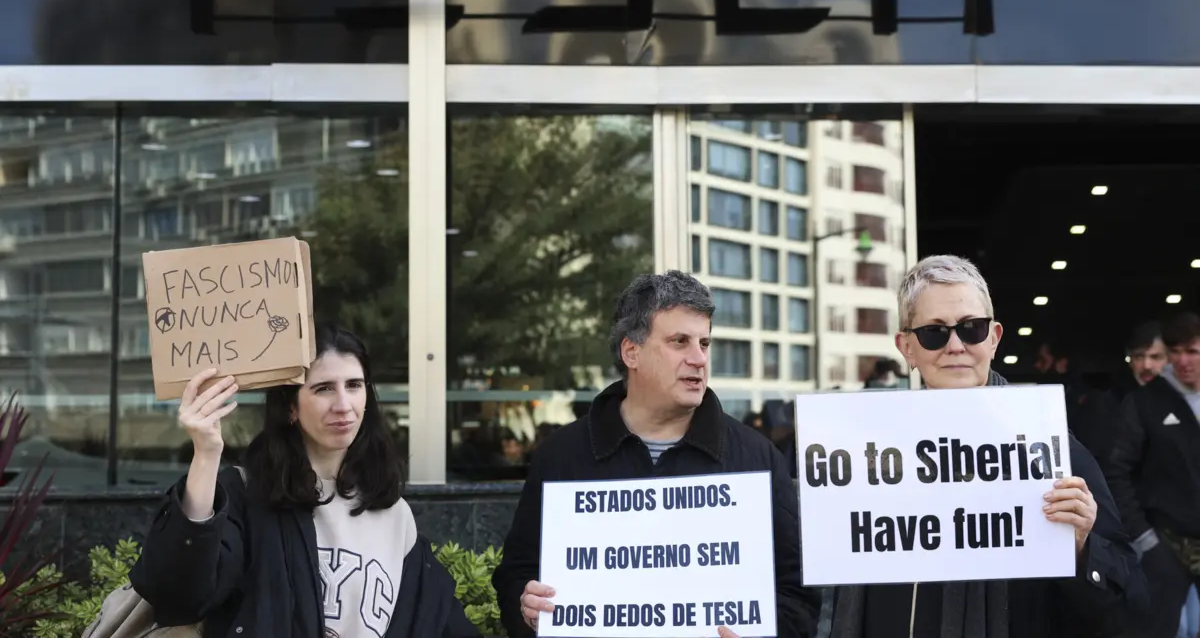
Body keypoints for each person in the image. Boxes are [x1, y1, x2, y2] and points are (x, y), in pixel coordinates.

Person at [818, 255, 1147, 638]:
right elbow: (817, 581)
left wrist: (1081, 549)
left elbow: (1132, 612)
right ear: (906, 347)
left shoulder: (1049, 450)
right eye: (934, 333)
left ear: (994, 339)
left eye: (971, 329)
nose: (955, 345)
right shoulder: (862, 453)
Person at [492, 270, 822, 638]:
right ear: (631, 352)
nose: (698, 359)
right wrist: (527, 608)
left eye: (705, 343)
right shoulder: (562, 456)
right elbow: (515, 575)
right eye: (679, 341)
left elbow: (797, 594)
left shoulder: (756, 458)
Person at [128, 324, 479, 638]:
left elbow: (438, 620)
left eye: (354, 385)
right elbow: (179, 595)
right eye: (324, 388)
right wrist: (205, 454)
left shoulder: (393, 514)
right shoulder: (249, 496)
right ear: (291, 407)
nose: (344, 405)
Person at [1104, 311, 1200, 638]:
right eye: (1175, 352)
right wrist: (1145, 540)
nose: (1183, 360)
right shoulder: (1145, 402)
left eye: (1192, 351)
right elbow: (1116, 472)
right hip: (1167, 544)